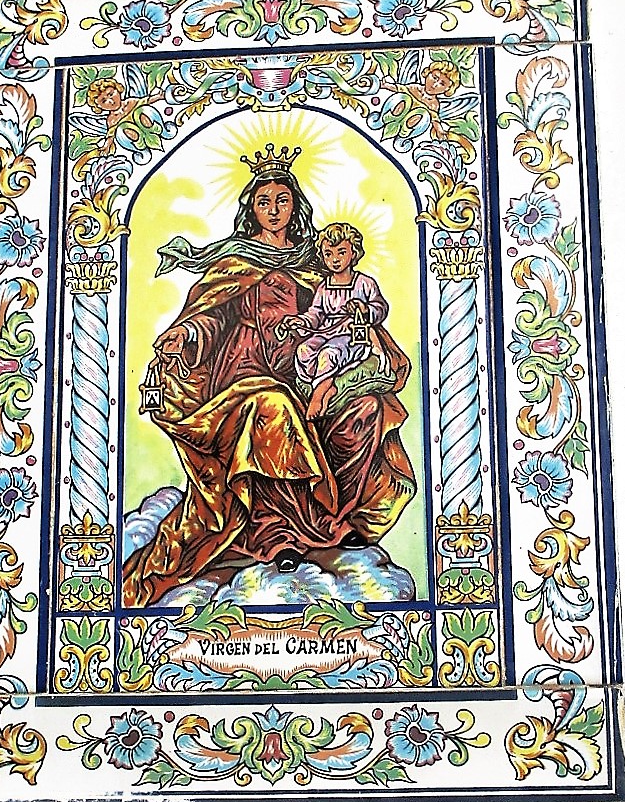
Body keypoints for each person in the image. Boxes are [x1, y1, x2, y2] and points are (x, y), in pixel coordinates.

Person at [122, 144, 416, 606]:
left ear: (295, 206)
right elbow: (212, 316)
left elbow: (345, 309)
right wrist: (188, 334)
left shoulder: (317, 260)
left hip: (309, 367)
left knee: (367, 408)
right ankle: (274, 534)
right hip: (242, 374)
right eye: (264, 201)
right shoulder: (234, 260)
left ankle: (333, 524)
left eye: (283, 200)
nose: (274, 210)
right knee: (273, 409)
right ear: (252, 208)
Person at [281, 222, 391, 422]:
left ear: (354, 252)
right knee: (304, 351)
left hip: (353, 334)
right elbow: (316, 314)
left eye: (341, 252)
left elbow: (380, 308)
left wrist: (364, 309)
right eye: (328, 254)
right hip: (326, 332)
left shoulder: (364, 283)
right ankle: (327, 385)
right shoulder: (324, 286)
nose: (335, 259)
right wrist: (299, 321)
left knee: (329, 354)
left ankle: (319, 394)